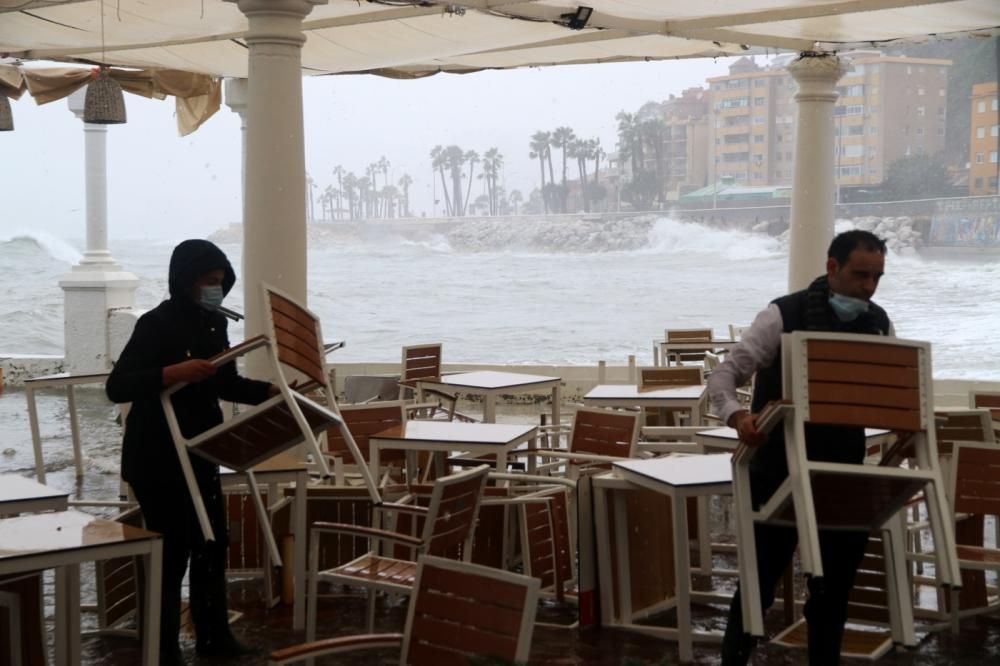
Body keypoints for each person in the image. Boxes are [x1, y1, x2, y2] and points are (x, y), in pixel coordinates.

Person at [708, 230, 895, 665]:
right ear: (832, 267)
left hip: (840, 477)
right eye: (860, 275)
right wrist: (738, 416)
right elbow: (723, 377)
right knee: (758, 584)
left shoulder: (879, 324)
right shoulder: (782, 314)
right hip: (776, 472)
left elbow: (888, 395)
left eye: (877, 277)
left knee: (833, 589)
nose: (869, 287)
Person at [106, 239, 274, 664]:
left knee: (213, 542)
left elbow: (224, 382)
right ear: (185, 280)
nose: (216, 289)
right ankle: (162, 649)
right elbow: (118, 385)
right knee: (174, 548)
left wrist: (271, 392)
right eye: (208, 281)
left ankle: (214, 639)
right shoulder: (155, 323)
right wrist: (171, 372)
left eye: (221, 282)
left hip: (202, 449)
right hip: (157, 456)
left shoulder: (214, 324)